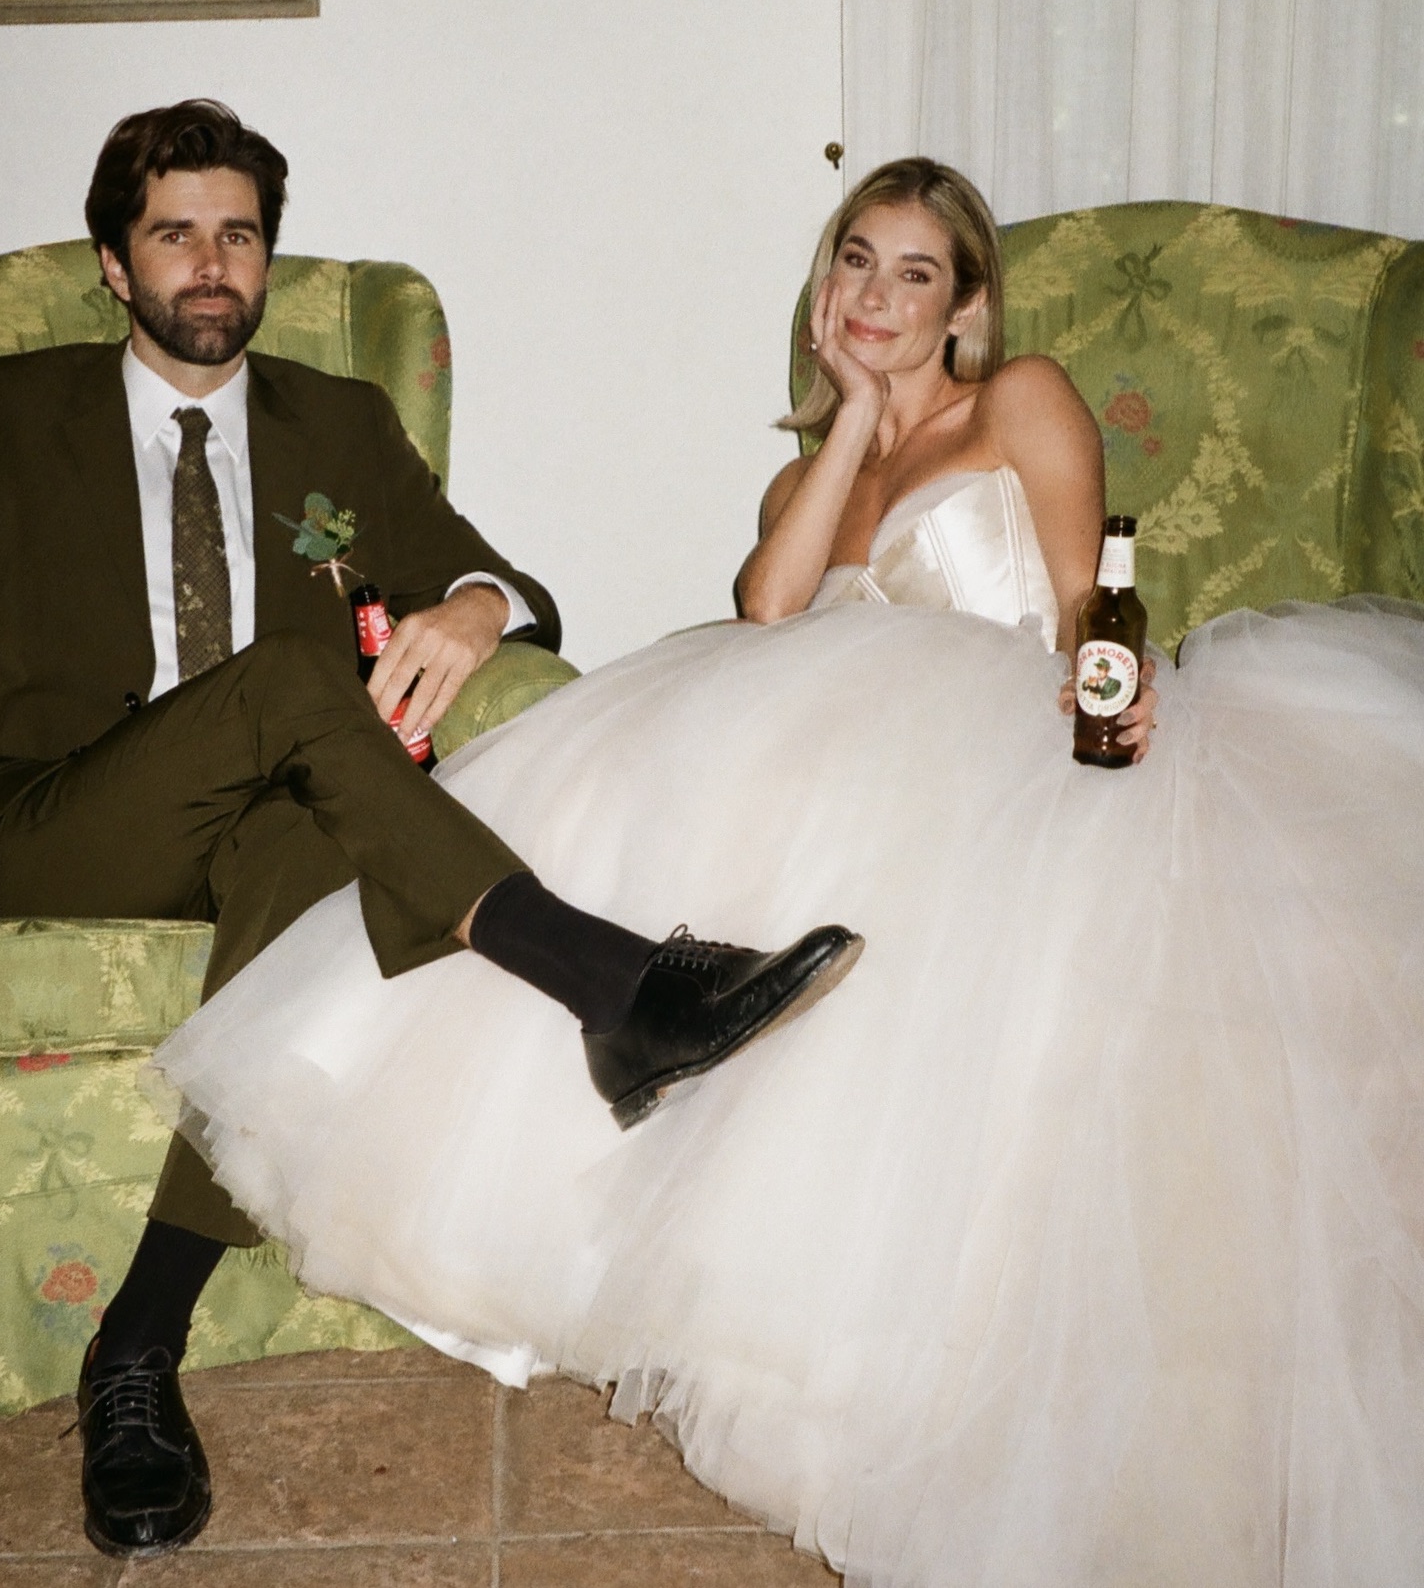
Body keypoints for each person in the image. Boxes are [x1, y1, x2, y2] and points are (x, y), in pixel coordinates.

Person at [151, 157, 1424, 1587]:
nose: (877, 295)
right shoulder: (802, 465)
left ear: (969, 305)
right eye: (854, 264)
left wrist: (1106, 709)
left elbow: (1084, 603)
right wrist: (856, 424)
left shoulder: (1024, 401)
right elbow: (766, 609)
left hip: (999, 741)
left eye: (914, 274)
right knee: (608, 815)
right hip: (828, 741)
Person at [0, 100, 862, 1560]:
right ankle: (613, 983)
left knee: (305, 840)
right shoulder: (15, 406)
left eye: (238, 234)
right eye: (174, 232)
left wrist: (475, 605)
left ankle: (136, 1345)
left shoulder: (342, 421)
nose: (210, 263)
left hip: (273, 822)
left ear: (266, 260)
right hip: (68, 818)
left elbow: (494, 572)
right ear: (115, 265)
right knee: (308, 693)